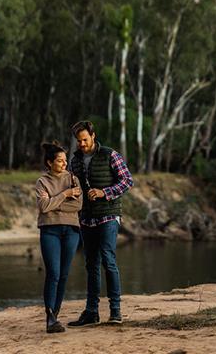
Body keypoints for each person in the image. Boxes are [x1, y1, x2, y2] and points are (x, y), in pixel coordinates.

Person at [67, 120, 133, 326]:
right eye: (79, 141)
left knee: (108, 259)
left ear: (93, 136)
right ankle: (91, 312)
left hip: (108, 215)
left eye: (85, 140)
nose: (82, 144)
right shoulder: (75, 160)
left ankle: (115, 311)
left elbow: (127, 181)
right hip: (86, 217)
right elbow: (70, 184)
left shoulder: (110, 154)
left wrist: (104, 192)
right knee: (91, 264)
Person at [36, 141, 83, 333]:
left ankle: (55, 316)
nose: (64, 164)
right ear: (49, 162)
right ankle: (49, 319)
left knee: (63, 275)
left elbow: (78, 206)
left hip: (71, 230)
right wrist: (66, 194)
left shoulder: (73, 178)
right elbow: (43, 207)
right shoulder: (42, 182)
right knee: (53, 273)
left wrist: (54, 202)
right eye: (60, 161)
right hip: (50, 231)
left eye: (65, 160)